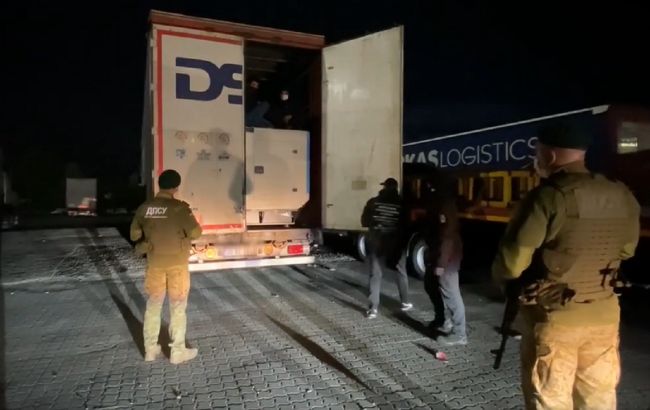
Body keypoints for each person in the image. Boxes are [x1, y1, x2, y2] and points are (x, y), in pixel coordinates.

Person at [492, 123, 640, 409]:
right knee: (598, 398)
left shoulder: (548, 196)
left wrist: (509, 286)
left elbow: (513, 261)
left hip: (556, 318)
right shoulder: (622, 193)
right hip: (605, 315)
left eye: (537, 152)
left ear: (548, 156)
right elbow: (627, 250)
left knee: (551, 399)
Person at [130, 169, 203, 364]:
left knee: (153, 305)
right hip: (177, 265)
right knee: (177, 306)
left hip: (155, 264)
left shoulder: (144, 208)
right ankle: (177, 351)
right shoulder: (180, 208)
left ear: (159, 185)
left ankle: (150, 350)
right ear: (176, 187)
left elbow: (134, 235)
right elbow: (196, 233)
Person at [361, 177, 412, 319]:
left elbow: (364, 221)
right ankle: (405, 302)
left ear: (384, 187)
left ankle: (373, 309)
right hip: (396, 243)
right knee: (401, 271)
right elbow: (406, 225)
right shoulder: (402, 204)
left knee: (375, 275)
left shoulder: (373, 202)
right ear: (396, 188)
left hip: (377, 242)